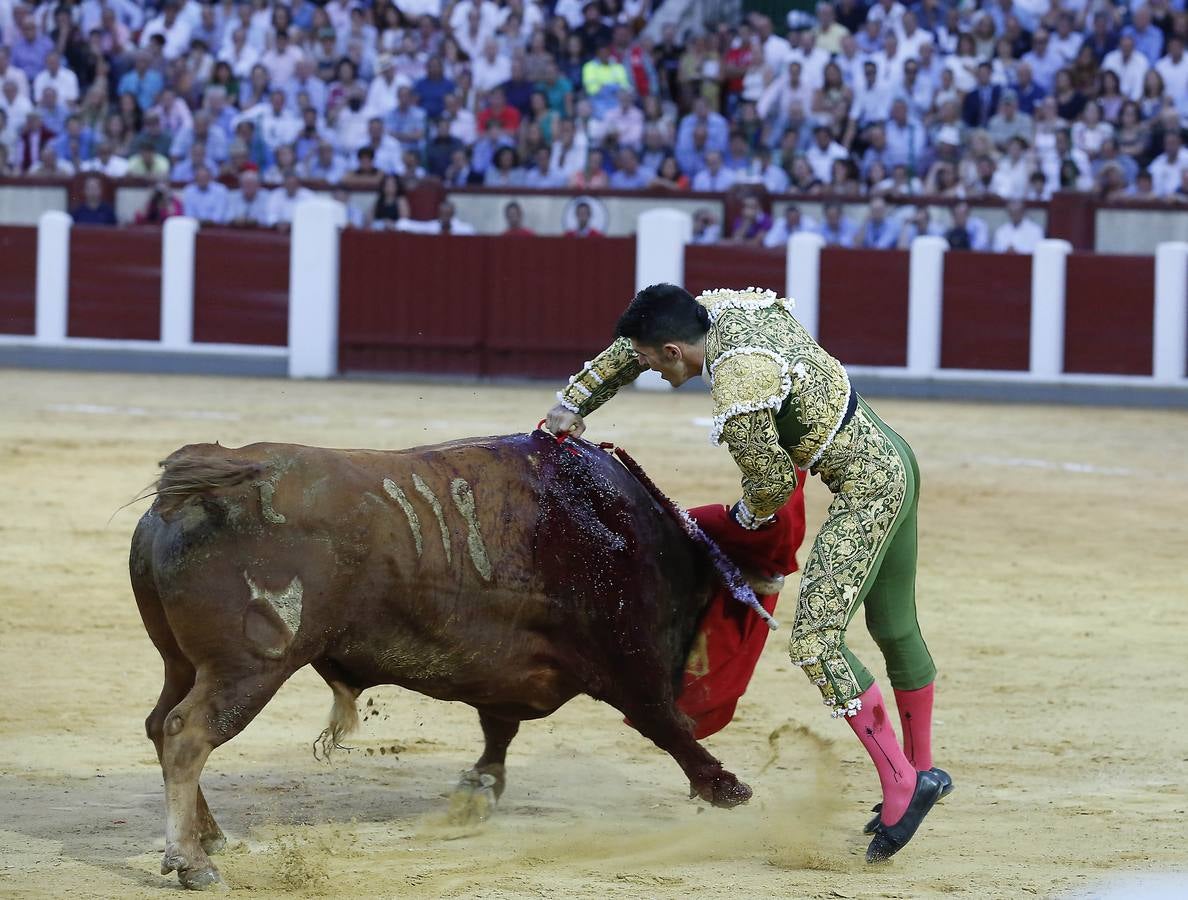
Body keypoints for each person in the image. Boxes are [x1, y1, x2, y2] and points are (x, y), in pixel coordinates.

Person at [544, 283, 951, 863]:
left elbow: (772, 487)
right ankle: (924, 768)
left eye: (653, 362)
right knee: (893, 625)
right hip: (893, 453)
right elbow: (632, 347)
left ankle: (903, 785)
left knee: (815, 644)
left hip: (869, 488)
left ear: (674, 351)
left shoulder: (739, 386)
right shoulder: (727, 310)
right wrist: (574, 403)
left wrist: (741, 520)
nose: (652, 372)